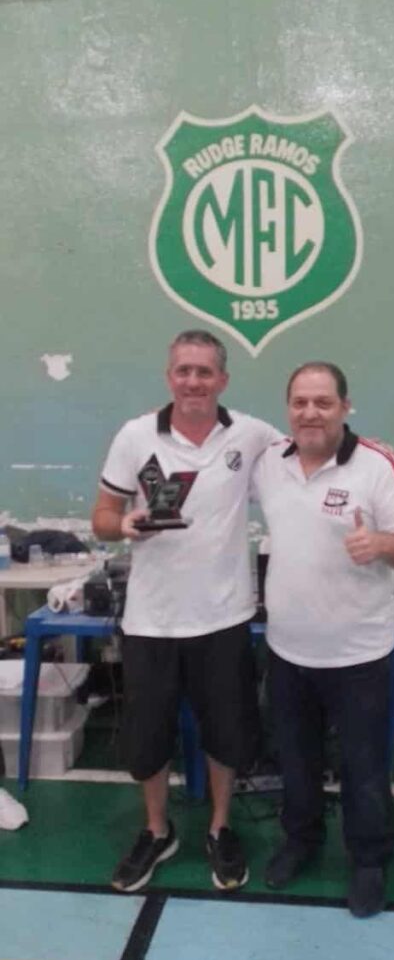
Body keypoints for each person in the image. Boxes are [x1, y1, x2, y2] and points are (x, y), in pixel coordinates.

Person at [91, 330, 280, 893]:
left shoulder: (252, 435)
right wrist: (124, 525)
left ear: (223, 379)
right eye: (183, 370)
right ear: (169, 376)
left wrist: (368, 451)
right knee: (148, 737)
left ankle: (221, 827)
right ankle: (157, 831)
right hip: (151, 620)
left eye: (204, 371)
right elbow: (102, 515)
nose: (193, 381)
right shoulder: (134, 436)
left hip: (224, 617)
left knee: (227, 733)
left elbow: (312, 457)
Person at [252, 362, 394, 918]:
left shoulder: (378, 465)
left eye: (323, 402)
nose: (311, 413)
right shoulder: (269, 463)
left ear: (345, 407)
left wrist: (381, 544)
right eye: (300, 402)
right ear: (288, 408)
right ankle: (301, 841)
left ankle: (369, 860)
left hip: (359, 654)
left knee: (363, 768)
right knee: (295, 761)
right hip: (287, 650)